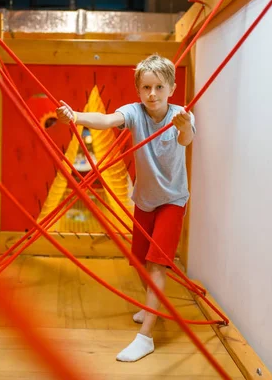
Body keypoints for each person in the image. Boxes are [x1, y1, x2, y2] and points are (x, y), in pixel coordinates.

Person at [56, 54, 195, 362]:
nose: (153, 94)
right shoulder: (134, 113)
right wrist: (74, 116)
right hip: (144, 200)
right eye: (146, 87)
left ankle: (145, 337)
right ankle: (150, 306)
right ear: (138, 90)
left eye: (159, 87)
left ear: (171, 88)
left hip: (172, 200)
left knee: (158, 264)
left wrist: (185, 126)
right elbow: (106, 121)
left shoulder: (180, 115)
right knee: (143, 263)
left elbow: (186, 139)